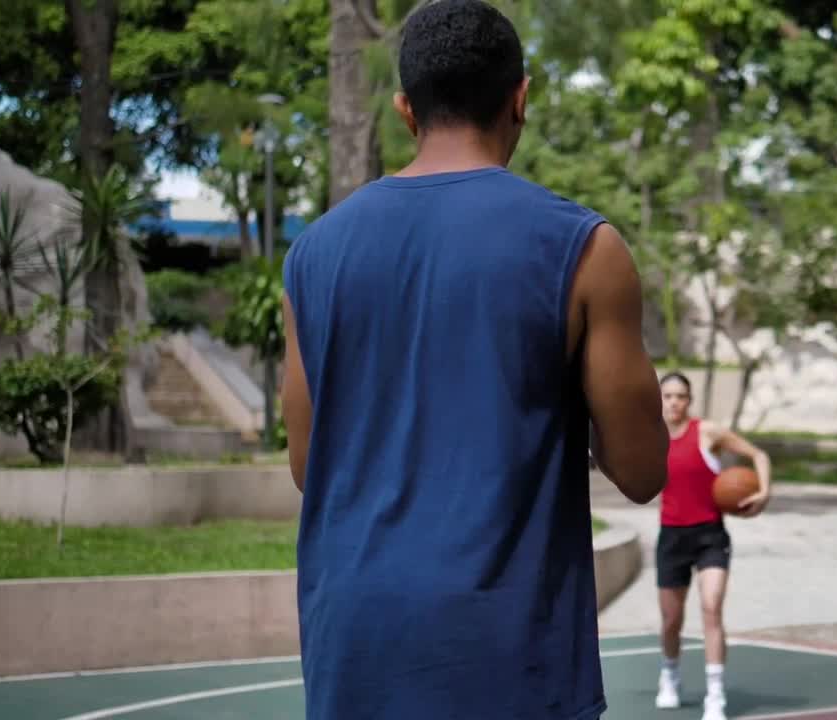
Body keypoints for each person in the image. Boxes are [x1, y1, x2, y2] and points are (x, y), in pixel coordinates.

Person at [278, 1, 669, 718]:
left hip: (354, 649)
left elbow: (310, 466)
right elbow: (643, 471)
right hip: (509, 655)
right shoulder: (586, 249)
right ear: (520, 98)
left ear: (406, 109)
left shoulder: (312, 255)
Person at [654, 371, 771, 720]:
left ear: (689, 400)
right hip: (671, 536)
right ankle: (670, 675)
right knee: (671, 620)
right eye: (668, 396)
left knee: (711, 607)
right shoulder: (652, 438)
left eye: (681, 396)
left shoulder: (707, 432)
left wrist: (764, 493)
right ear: (659, 399)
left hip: (710, 535)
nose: (674, 402)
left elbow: (759, 455)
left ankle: (715, 695)